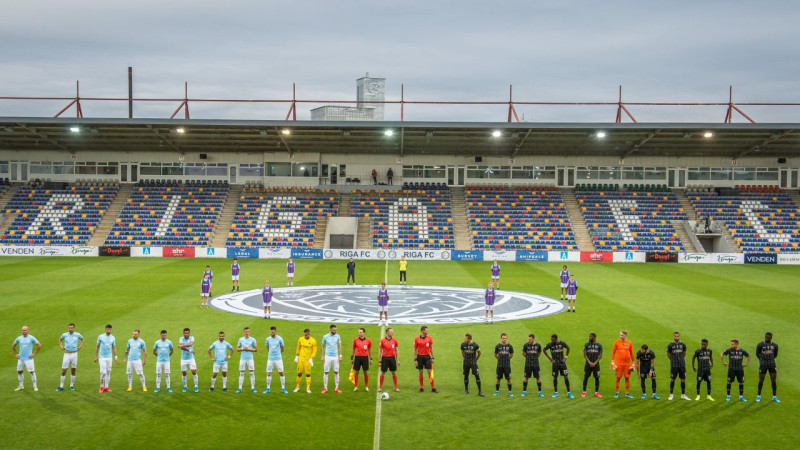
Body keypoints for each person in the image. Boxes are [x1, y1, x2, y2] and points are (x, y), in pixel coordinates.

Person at [543, 334, 573, 398]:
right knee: (555, 377)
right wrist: (550, 358)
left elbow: (568, 348)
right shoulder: (550, 344)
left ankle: (569, 392)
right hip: (555, 364)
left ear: (556, 339)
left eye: (553, 340)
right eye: (551, 340)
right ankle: (556, 392)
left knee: (566, 377)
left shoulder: (562, 343)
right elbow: (544, 350)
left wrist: (566, 357)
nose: (551, 341)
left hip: (562, 363)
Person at [12, 325, 41, 392]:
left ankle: (35, 386)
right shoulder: (19, 338)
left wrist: (34, 353)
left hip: (28, 359)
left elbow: (39, 345)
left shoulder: (31, 338)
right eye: (22, 330)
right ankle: (21, 386)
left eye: (25, 330)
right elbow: (13, 345)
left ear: (28, 330)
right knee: (19, 372)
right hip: (21, 359)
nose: (24, 331)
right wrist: (15, 354)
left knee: (32, 372)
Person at [57, 323, 84, 391]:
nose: (70, 329)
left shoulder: (77, 334)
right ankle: (61, 386)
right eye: (69, 328)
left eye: (71, 328)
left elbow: (82, 339)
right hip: (67, 354)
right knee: (64, 370)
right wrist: (61, 346)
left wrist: (80, 346)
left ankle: (71, 385)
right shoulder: (65, 334)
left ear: (74, 328)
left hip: (74, 354)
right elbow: (60, 339)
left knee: (73, 370)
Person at [755, 331, 780, 403]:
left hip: (772, 365)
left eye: (768, 337)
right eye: (765, 337)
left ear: (771, 338)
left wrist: (770, 360)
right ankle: (758, 396)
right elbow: (757, 354)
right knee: (761, 380)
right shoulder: (760, 345)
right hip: (763, 365)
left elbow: (775, 355)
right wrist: (762, 360)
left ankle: (774, 397)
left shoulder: (775, 345)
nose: (766, 338)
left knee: (773, 381)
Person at [666, 331, 691, 401]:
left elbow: (684, 353)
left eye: (678, 336)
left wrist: (681, 359)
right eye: (675, 336)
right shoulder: (670, 345)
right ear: (673, 336)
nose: (676, 337)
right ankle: (671, 394)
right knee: (672, 379)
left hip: (682, 365)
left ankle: (683, 395)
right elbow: (668, 354)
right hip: (674, 365)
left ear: (679, 337)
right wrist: (672, 359)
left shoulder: (683, 344)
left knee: (683, 379)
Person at [94, 324, 118, 393]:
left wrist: (116, 356)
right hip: (102, 357)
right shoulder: (100, 337)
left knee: (108, 372)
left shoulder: (113, 337)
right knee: (103, 372)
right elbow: (97, 346)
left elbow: (114, 347)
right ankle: (101, 386)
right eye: (107, 329)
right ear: (105, 329)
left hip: (109, 357)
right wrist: (95, 356)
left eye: (110, 329)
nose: (109, 330)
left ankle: (106, 387)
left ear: (111, 329)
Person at [610, 329, 634, 399]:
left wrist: (633, 362)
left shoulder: (629, 343)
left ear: (626, 335)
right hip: (619, 364)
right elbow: (613, 352)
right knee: (618, 378)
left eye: (622, 335)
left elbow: (632, 353)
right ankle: (617, 393)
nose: (620, 336)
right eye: (620, 335)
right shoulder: (616, 342)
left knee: (627, 378)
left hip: (627, 364)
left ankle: (627, 393)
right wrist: (612, 361)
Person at [264, 326, 288, 394]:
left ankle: (283, 388)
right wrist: (271, 354)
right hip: (270, 359)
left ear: (275, 331)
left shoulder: (280, 339)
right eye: (271, 332)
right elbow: (267, 347)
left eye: (273, 332)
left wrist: (278, 354)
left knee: (281, 373)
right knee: (268, 373)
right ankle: (268, 388)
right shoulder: (268, 339)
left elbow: (283, 348)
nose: (271, 333)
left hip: (278, 359)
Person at [414, 325, 437, 393]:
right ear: (422, 331)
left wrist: (432, 357)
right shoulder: (417, 339)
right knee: (420, 372)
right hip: (420, 357)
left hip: (427, 357)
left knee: (430, 372)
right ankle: (421, 387)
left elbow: (431, 348)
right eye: (426, 330)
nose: (427, 331)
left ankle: (433, 387)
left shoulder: (429, 338)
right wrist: (415, 359)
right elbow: (415, 349)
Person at [320, 324, 342, 394]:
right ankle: (325, 388)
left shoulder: (338, 336)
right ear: (330, 330)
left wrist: (340, 355)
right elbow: (322, 346)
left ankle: (337, 387)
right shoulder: (325, 337)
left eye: (336, 330)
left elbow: (339, 346)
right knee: (326, 372)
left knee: (336, 372)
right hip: (327, 357)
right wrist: (322, 356)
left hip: (335, 357)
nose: (335, 331)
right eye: (334, 330)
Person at [294, 329, 317, 393]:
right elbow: (298, 348)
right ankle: (297, 387)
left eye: (306, 335)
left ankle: (308, 388)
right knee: (299, 374)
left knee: (308, 374)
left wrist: (311, 359)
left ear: (309, 334)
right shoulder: (300, 339)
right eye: (304, 334)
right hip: (300, 359)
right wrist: (296, 356)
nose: (305, 336)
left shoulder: (313, 341)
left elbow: (314, 351)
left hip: (307, 360)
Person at [236, 327, 258, 393]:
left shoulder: (253, 339)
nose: (247, 333)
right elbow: (237, 348)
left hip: (250, 359)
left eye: (248, 331)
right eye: (245, 331)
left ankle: (253, 388)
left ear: (249, 332)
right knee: (241, 373)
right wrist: (243, 348)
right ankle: (240, 388)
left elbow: (256, 349)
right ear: (243, 332)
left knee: (251, 373)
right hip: (243, 359)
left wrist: (249, 349)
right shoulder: (240, 339)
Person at [583, 332, 604, 398]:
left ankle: (596, 392)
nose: (590, 338)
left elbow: (600, 356)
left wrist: (595, 363)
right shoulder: (586, 345)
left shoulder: (599, 345)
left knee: (597, 378)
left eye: (591, 337)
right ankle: (584, 392)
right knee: (586, 377)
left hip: (596, 365)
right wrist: (589, 362)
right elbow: (585, 354)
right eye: (589, 336)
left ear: (594, 338)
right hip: (587, 365)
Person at [351, 328, 373, 392]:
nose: (359, 333)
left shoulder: (368, 340)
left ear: (364, 333)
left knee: (365, 372)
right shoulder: (355, 340)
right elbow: (353, 349)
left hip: (365, 358)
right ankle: (356, 387)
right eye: (359, 332)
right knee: (356, 372)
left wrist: (371, 358)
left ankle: (366, 386)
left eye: (360, 332)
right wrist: (352, 358)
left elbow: (369, 350)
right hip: (357, 357)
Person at [178, 327, 199, 393]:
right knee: (184, 373)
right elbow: (182, 348)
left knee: (194, 372)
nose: (186, 334)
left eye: (187, 333)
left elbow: (190, 344)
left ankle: (196, 386)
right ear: (183, 333)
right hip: (183, 359)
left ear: (189, 333)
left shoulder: (192, 338)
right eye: (185, 333)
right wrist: (189, 350)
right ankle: (185, 387)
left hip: (191, 359)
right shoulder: (181, 338)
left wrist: (182, 345)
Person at [380, 327, 400, 393]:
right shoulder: (382, 340)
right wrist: (380, 361)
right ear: (387, 332)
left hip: (392, 358)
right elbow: (380, 351)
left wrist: (398, 360)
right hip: (384, 358)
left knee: (394, 372)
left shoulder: (394, 340)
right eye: (391, 332)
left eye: (392, 331)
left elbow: (397, 350)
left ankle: (396, 387)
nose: (392, 333)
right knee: (383, 373)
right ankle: (380, 387)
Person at [494, 333, 514, 397]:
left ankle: (510, 391)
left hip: (507, 366)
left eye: (505, 338)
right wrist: (499, 359)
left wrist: (507, 359)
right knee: (498, 378)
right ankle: (497, 391)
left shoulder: (510, 346)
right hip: (499, 365)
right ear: (501, 338)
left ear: (507, 338)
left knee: (509, 379)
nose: (504, 339)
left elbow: (511, 355)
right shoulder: (497, 346)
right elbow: (495, 355)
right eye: (503, 338)